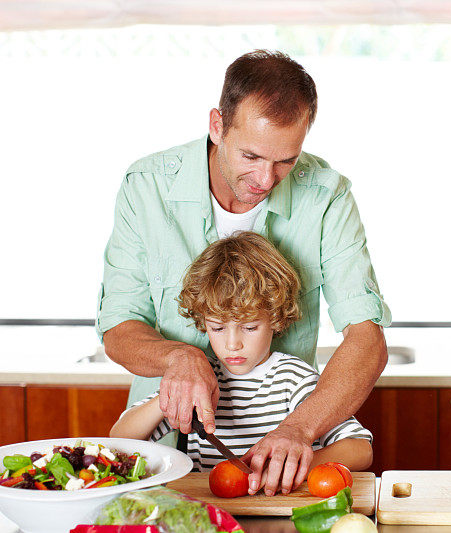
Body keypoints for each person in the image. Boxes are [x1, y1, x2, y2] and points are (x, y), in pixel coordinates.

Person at [97, 50, 390, 495]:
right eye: (251, 155)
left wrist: (299, 430)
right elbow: (118, 327)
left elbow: (367, 338)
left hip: (282, 455)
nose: (267, 178)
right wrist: (179, 357)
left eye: (286, 161)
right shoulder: (147, 185)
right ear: (217, 125)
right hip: (163, 468)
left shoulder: (327, 195)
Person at [110, 232, 373, 477]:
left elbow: (361, 450)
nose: (233, 343)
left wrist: (289, 465)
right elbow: (119, 440)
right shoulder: (199, 381)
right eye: (217, 327)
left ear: (277, 319)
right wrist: (169, 400)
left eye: (249, 327)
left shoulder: (293, 378)